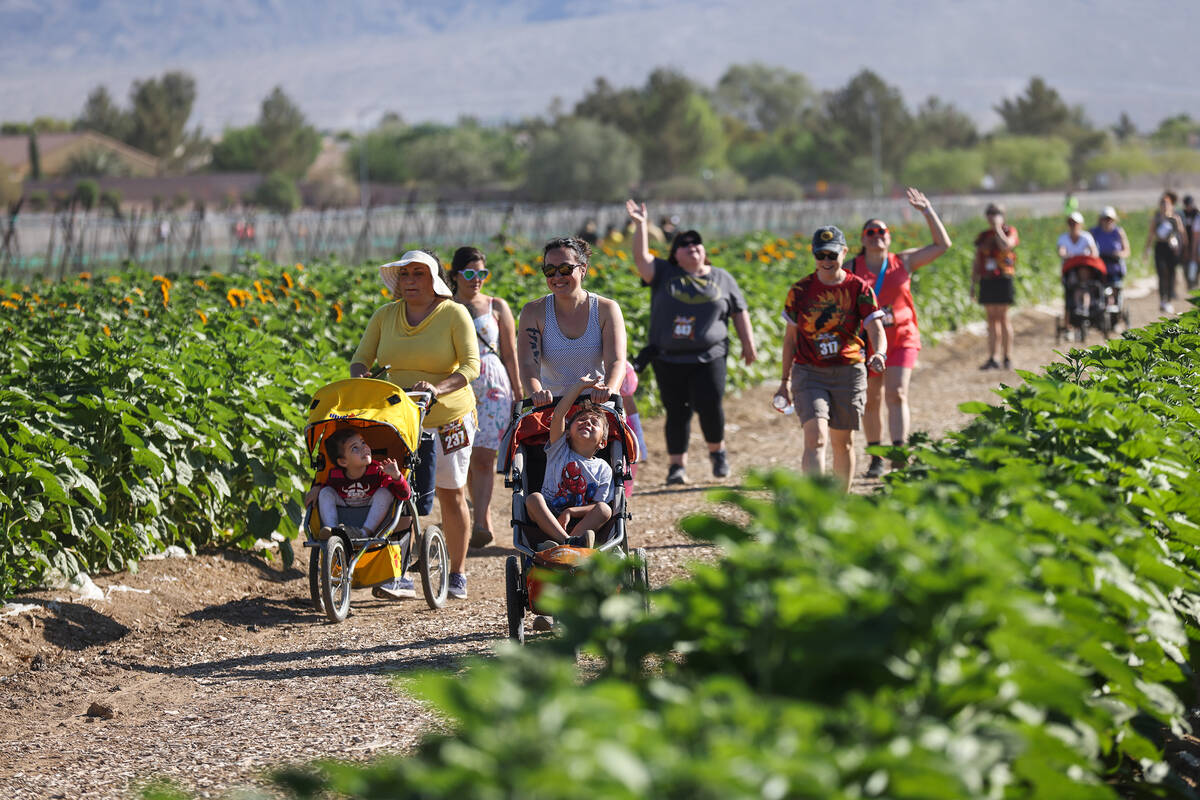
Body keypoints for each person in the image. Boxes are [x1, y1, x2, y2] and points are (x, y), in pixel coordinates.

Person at [351, 249, 479, 600]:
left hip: (448, 415)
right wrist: (362, 380)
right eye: (404, 275)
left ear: (435, 279)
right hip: (400, 417)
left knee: (450, 493)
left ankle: (457, 573)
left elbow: (470, 367)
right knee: (398, 489)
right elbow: (361, 359)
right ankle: (399, 571)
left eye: (418, 274)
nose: (410, 281)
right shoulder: (385, 315)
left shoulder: (454, 314)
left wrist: (437, 388)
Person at [625, 199, 758, 485]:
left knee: (710, 405)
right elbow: (641, 259)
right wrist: (640, 225)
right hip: (668, 356)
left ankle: (717, 452)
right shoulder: (664, 274)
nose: (693, 247)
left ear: (704, 251)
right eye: (685, 245)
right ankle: (677, 466)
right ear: (675, 255)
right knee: (677, 412)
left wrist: (748, 343)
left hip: (709, 355)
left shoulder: (722, 277)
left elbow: (739, 310)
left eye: (697, 244)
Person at [847, 187, 951, 480]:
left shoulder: (902, 262)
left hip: (902, 336)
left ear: (889, 237)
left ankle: (899, 452)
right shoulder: (851, 268)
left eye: (883, 231)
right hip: (867, 341)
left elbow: (943, 245)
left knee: (897, 392)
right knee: (871, 399)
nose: (877, 235)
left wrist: (927, 211)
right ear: (863, 239)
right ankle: (876, 456)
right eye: (871, 231)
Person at [773, 226, 887, 492]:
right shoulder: (800, 291)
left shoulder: (858, 288)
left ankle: (840, 504)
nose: (826, 260)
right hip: (809, 371)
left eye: (832, 255)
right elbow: (790, 339)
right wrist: (784, 381)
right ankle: (818, 505)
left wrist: (879, 352)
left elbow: (875, 328)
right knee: (816, 437)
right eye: (820, 254)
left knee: (843, 443)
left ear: (844, 252)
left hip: (848, 371)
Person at [449, 246, 520, 549]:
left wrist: (519, 392)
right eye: (469, 273)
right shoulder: (444, 306)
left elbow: (510, 352)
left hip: (493, 384)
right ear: (454, 275)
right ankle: (480, 513)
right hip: (457, 384)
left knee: (483, 456)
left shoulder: (497, 306)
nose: (476, 279)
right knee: (462, 456)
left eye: (481, 273)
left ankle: (480, 520)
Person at [517, 236, 627, 409]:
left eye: (565, 268)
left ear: (583, 269)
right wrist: (536, 393)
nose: (558, 276)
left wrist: (608, 389)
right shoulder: (533, 312)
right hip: (552, 409)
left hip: (597, 408)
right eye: (550, 271)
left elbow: (616, 361)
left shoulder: (606, 309)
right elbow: (528, 363)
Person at [523, 376, 614, 550]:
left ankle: (571, 541)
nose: (587, 422)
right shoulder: (559, 450)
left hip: (581, 522)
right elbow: (558, 416)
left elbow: (596, 505)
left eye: (594, 423)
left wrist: (570, 512)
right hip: (548, 515)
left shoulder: (603, 468)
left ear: (602, 442)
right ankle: (568, 543)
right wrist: (579, 386)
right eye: (581, 420)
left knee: (604, 510)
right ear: (567, 433)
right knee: (533, 499)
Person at [316, 429, 412, 538]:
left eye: (363, 442)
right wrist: (317, 488)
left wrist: (397, 476)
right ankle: (332, 531)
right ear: (343, 462)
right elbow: (327, 489)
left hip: (370, 503)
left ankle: (364, 532)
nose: (364, 448)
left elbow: (404, 495)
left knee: (385, 493)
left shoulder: (377, 470)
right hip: (345, 502)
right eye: (355, 448)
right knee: (325, 492)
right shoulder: (335, 475)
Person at [971, 204, 1020, 370]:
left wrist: (998, 228)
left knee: (1003, 317)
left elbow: (1006, 246)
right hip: (987, 278)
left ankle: (1008, 356)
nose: (992, 216)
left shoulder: (1009, 231)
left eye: (996, 213)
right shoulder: (983, 236)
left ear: (1003, 215)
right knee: (991, 319)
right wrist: (973, 283)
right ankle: (993, 357)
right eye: (990, 213)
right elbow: (977, 261)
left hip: (1004, 277)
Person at [1142, 191, 1187, 314]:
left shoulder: (1175, 219)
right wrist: (1147, 250)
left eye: (1167, 204)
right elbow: (1151, 235)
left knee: (1171, 273)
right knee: (1162, 273)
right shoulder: (1156, 219)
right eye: (1163, 204)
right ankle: (1162, 300)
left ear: (1171, 205)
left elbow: (1181, 233)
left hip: (1172, 248)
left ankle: (1169, 299)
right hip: (1160, 247)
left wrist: (1183, 248)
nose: (1165, 206)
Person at [1090, 206, 1131, 316]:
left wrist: (1118, 254)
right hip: (1099, 266)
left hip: (1114, 266)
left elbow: (1126, 251)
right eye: (1105, 219)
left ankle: (1116, 311)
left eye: (1110, 219)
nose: (1107, 221)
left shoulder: (1118, 232)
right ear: (1101, 219)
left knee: (1115, 286)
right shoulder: (1094, 232)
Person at [1181, 196, 1199, 291]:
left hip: (1195, 241)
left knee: (1195, 263)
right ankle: (1189, 282)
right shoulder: (1182, 214)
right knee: (1185, 263)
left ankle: (1194, 282)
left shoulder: (1196, 213)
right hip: (1184, 242)